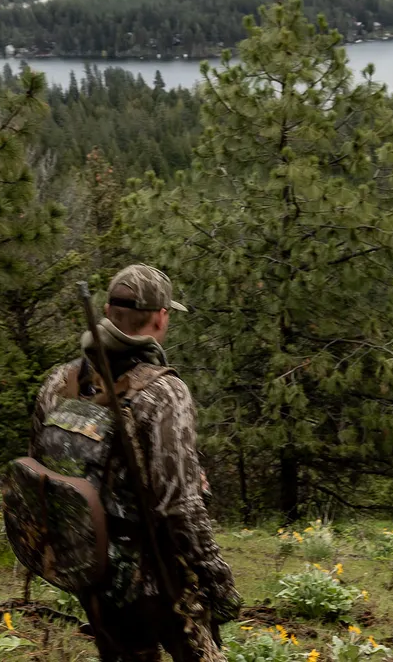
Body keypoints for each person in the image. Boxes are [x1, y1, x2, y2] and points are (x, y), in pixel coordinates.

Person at [30, 264, 240, 662]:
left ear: (108, 310)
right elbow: (180, 507)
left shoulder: (59, 382)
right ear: (161, 317)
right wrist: (216, 575)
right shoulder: (164, 392)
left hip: (90, 572)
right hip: (155, 578)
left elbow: (45, 468)